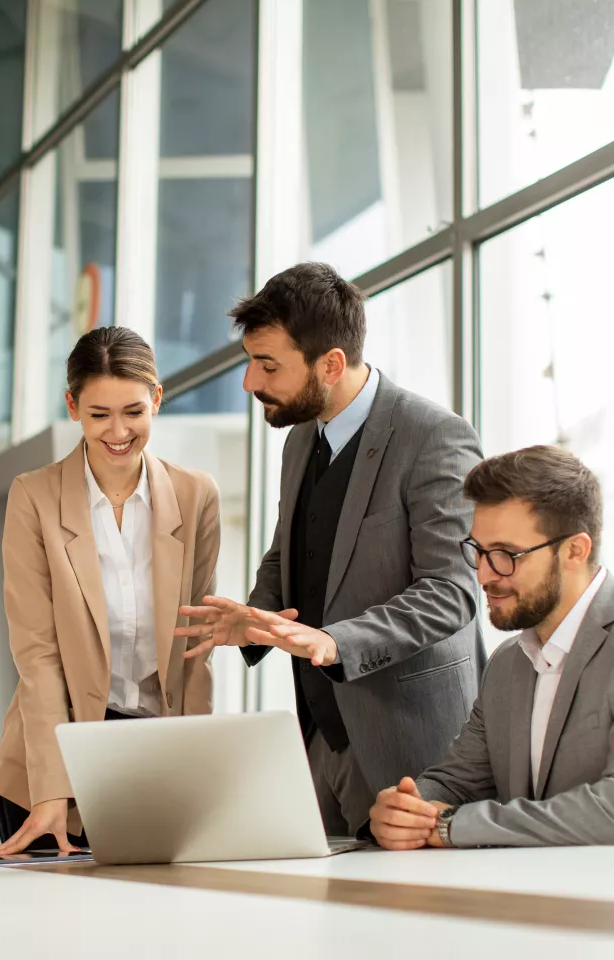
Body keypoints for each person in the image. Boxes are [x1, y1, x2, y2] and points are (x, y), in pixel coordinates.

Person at [177, 262, 485, 836]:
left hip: (414, 746)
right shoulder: (300, 438)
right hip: (321, 735)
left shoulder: (434, 436)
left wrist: (333, 641)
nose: (250, 382)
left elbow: (453, 592)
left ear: (332, 363)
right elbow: (288, 549)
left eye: (267, 365)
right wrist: (255, 616)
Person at [0, 326, 221, 855]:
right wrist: (51, 789)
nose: (119, 431)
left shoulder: (196, 494)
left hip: (154, 759)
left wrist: (198, 774)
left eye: (134, 412)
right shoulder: (34, 497)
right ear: (72, 406)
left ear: (157, 399)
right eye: (99, 415)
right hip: (53, 764)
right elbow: (37, 655)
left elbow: (196, 648)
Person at [369, 446, 614, 849]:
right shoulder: (508, 662)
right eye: (478, 551)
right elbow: (456, 780)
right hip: (523, 901)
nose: (483, 574)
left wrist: (453, 826)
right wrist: (406, 809)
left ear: (574, 551)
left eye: (505, 555)